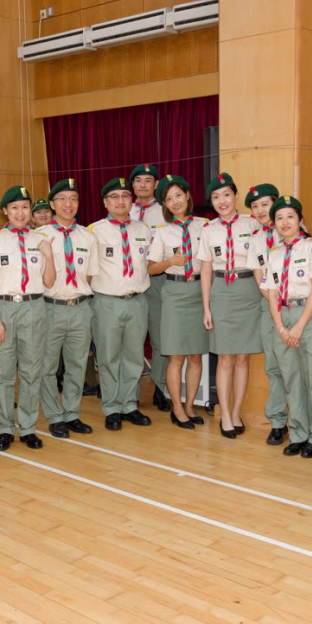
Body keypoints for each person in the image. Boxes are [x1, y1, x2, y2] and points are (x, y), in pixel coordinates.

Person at [0, 185, 56, 451]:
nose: (20, 212)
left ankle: (27, 427)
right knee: (2, 373)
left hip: (34, 307)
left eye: (25, 207)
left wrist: (49, 256)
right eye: (14, 208)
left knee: (31, 370)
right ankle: (5, 428)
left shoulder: (41, 239)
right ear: (5, 211)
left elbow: (49, 282)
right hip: (4, 307)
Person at [260, 196, 312, 459]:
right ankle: (299, 434)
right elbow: (271, 293)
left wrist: (299, 327)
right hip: (284, 315)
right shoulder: (275, 253)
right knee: (292, 379)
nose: (285, 222)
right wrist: (281, 328)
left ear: (300, 220)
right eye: (279, 218)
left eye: (290, 216)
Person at [200, 172, 261, 437]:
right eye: (216, 197)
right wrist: (206, 307)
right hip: (221, 293)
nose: (222, 201)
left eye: (226, 194)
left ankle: (236, 412)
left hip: (249, 291)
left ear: (236, 196)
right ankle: (224, 414)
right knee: (224, 357)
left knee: (242, 357)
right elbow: (205, 269)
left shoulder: (253, 223)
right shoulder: (208, 230)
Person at [36, 179, 98, 439]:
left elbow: (89, 276)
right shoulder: (40, 236)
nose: (68, 204)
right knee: (47, 367)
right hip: (50, 308)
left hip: (80, 308)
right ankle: (54, 416)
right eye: (62, 199)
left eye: (73, 199)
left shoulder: (87, 236)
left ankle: (71, 413)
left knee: (77, 365)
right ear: (52, 204)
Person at [89, 177, 153, 431]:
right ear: (105, 202)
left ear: (132, 201)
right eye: (114, 197)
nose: (120, 201)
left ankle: (129, 405)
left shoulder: (143, 230)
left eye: (125, 196)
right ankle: (112, 407)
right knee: (108, 357)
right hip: (107, 302)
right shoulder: (94, 232)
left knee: (134, 356)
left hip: (137, 301)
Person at [148, 175, 209, 432]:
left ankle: (190, 406)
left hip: (199, 292)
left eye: (178, 195)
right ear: (164, 204)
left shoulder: (204, 227)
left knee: (195, 355)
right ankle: (177, 408)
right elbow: (151, 269)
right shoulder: (163, 233)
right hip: (174, 293)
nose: (175, 201)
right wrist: (170, 262)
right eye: (169, 198)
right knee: (176, 356)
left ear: (188, 197)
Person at [247, 184, 289, 446]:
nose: (260, 210)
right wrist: (273, 302)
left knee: (296, 367)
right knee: (273, 366)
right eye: (255, 206)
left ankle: (303, 422)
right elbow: (259, 275)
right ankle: (277, 422)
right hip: (269, 306)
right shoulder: (256, 239)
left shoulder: (291, 230)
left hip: (294, 307)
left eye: (265, 204)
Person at [129, 163, 172, 413]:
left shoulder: (165, 211)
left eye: (148, 180)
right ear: (133, 185)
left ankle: (159, 387)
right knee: (132, 341)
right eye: (138, 180)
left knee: (160, 338)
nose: (142, 185)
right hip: (130, 281)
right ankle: (131, 394)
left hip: (158, 280)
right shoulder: (124, 209)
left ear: (156, 184)